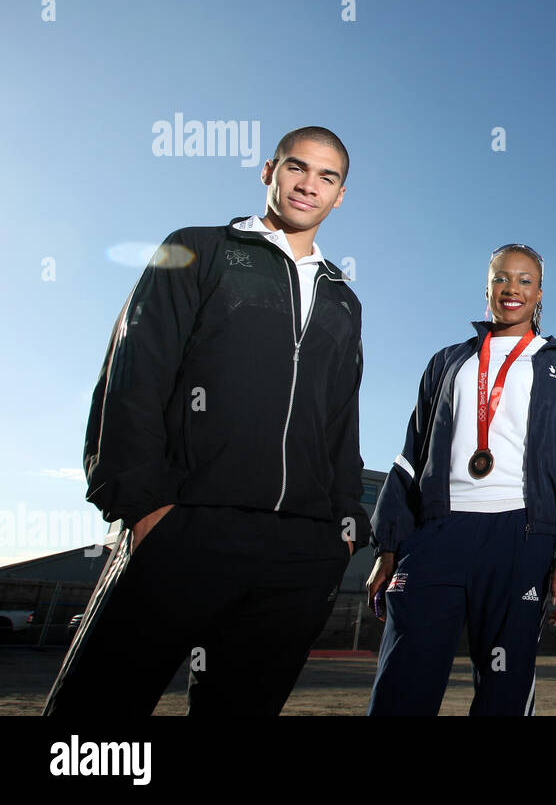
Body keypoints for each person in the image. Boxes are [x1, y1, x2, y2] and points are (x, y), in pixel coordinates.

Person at [44, 126, 367, 716]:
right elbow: (134, 371)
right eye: (297, 168)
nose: (308, 185)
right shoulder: (196, 248)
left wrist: (344, 524)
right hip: (187, 524)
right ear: (269, 171)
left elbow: (341, 419)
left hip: (301, 545)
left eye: (327, 177)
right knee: (93, 719)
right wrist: (143, 504)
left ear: (340, 195)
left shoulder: (343, 297)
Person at [366, 244, 556, 715]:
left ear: (539, 294)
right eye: (501, 278)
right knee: (401, 683)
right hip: (437, 535)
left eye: (525, 280)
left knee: (504, 692)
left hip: (521, 537)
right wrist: (388, 544)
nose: (512, 288)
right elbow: (411, 454)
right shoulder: (448, 361)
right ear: (487, 288)